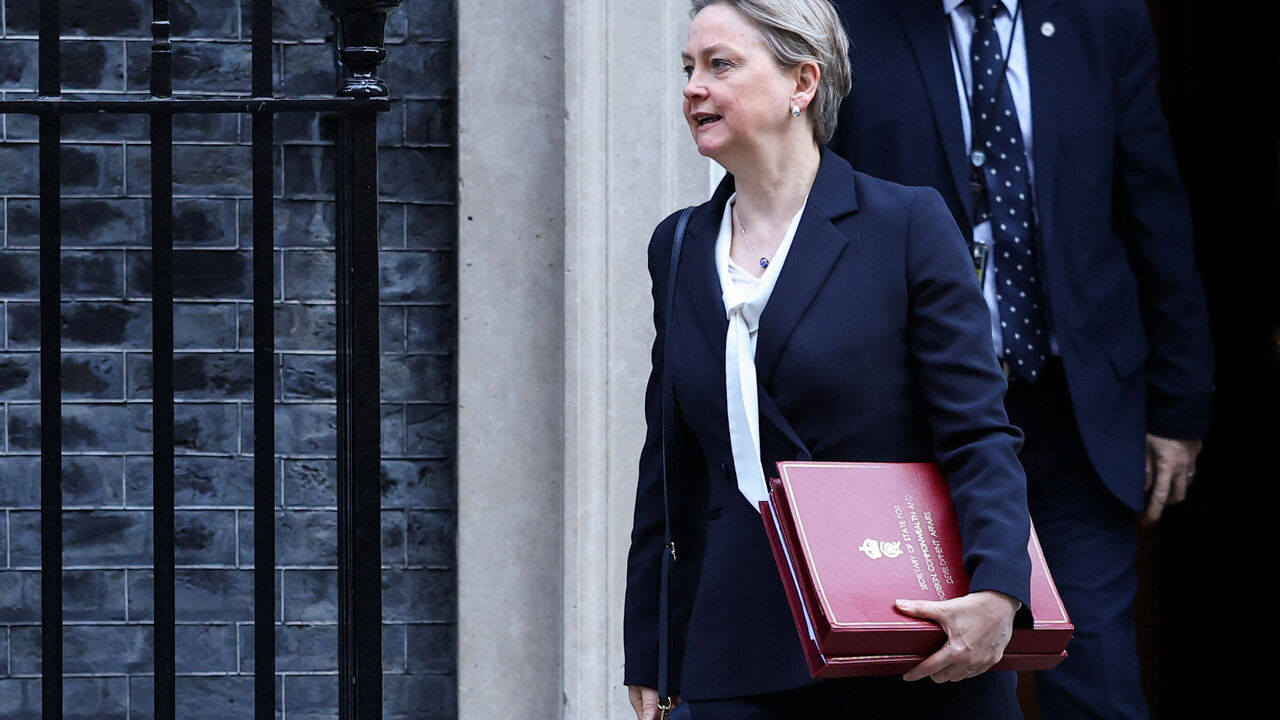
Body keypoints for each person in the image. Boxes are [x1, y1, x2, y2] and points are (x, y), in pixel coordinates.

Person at [624, 1, 1037, 717]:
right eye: (688, 68)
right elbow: (672, 462)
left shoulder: (907, 223)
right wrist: (652, 646)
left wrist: (999, 588)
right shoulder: (680, 244)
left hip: (905, 638)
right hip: (735, 649)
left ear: (802, 83)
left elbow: (977, 431)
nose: (694, 86)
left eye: (720, 65)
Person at [826, 1, 1214, 718]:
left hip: (1074, 412)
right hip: (917, 421)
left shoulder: (1103, 19)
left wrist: (1178, 405)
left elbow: (1152, 209)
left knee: (1093, 673)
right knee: (938, 672)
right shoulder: (853, 21)